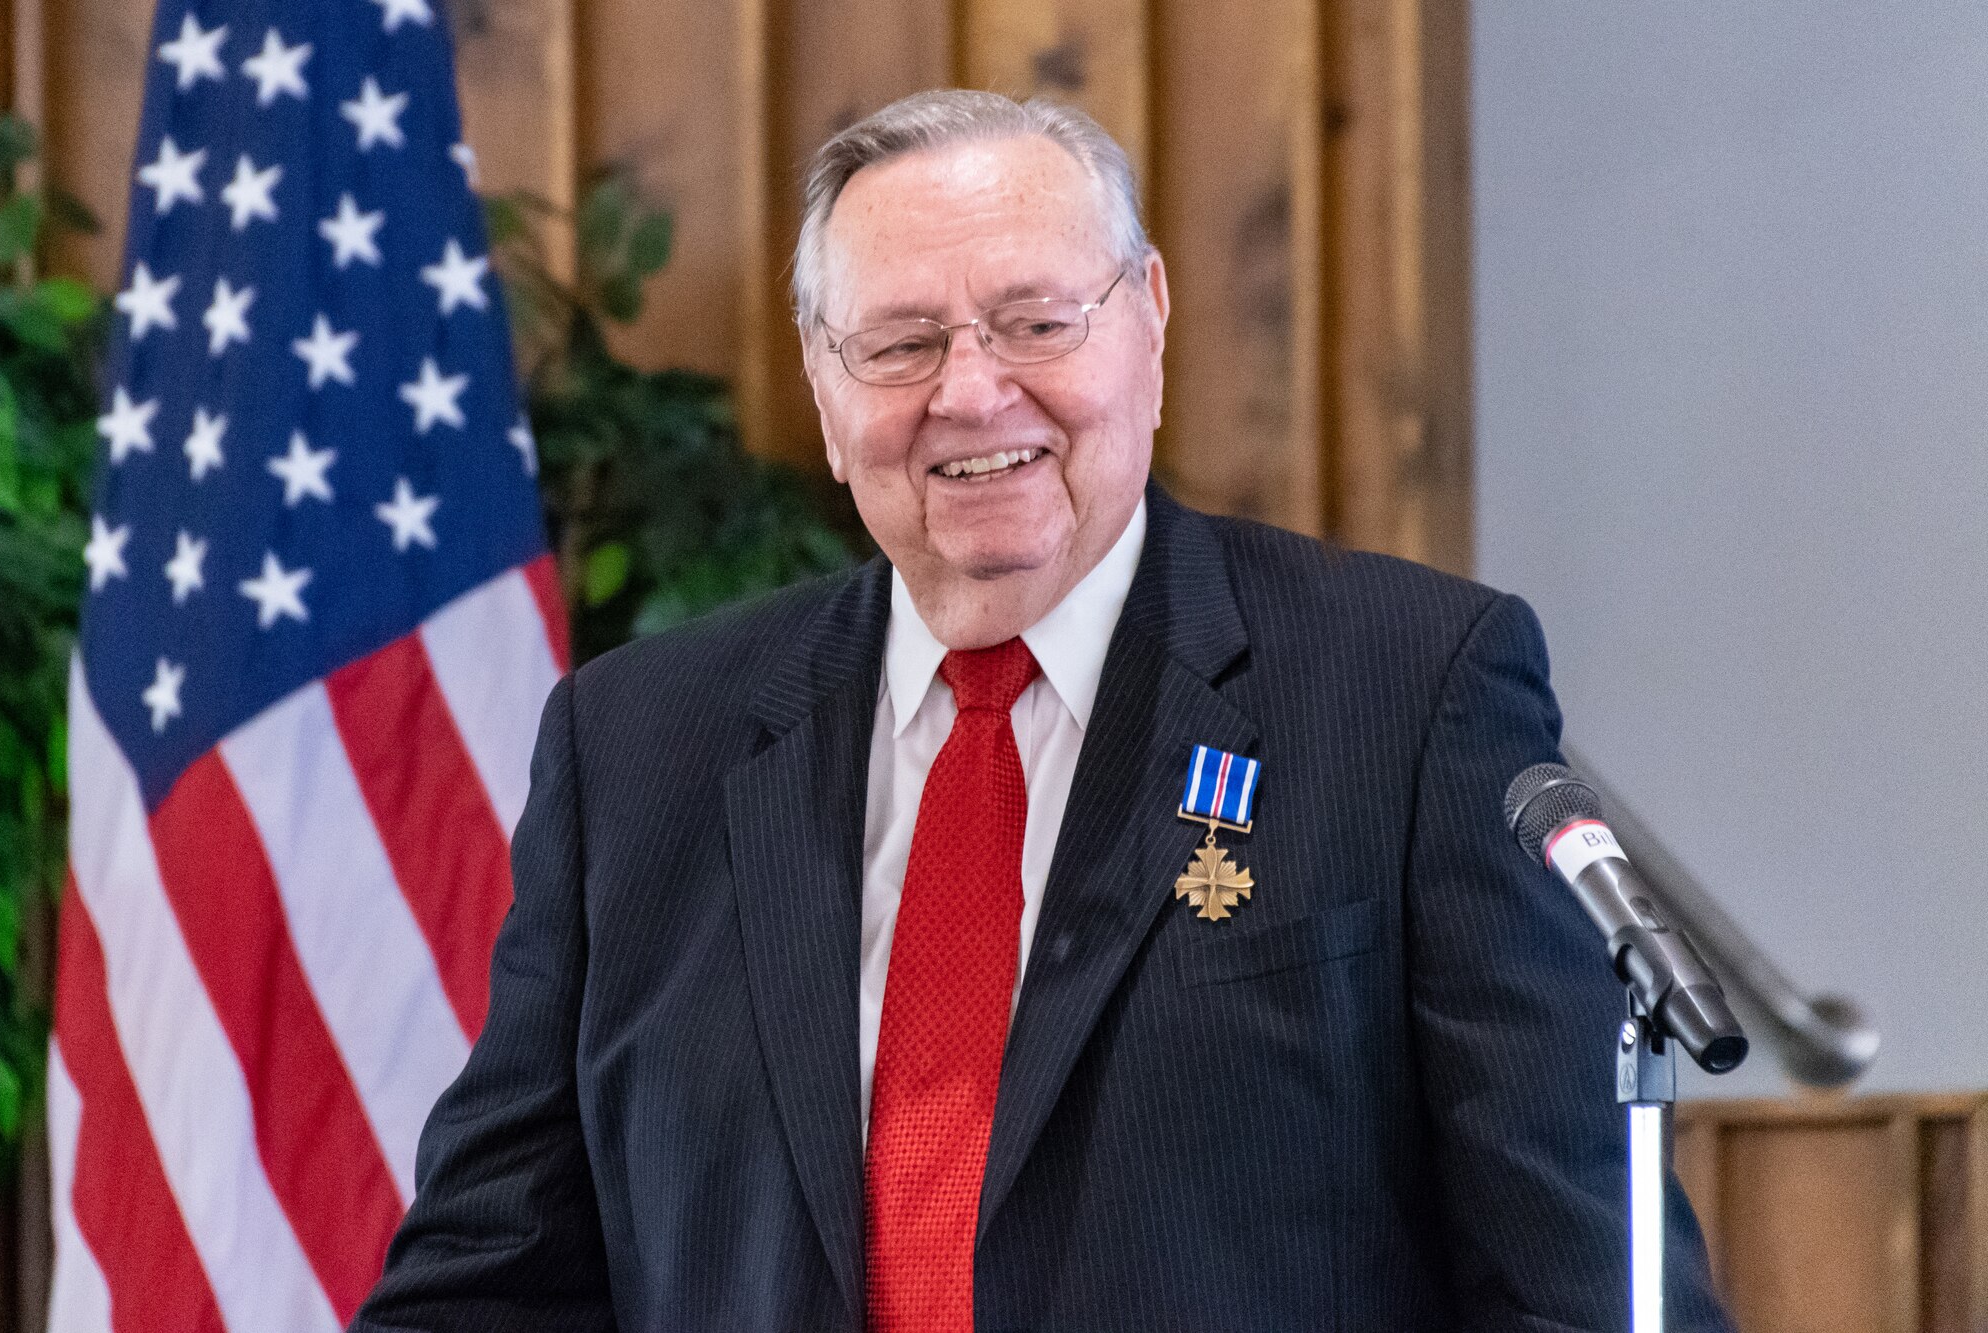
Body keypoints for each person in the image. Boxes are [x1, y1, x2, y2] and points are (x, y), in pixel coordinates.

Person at [352, 90, 1731, 1332]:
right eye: (898, 343)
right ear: (828, 398)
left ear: (1149, 321)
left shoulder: (1406, 688)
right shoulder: (638, 746)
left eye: (1034, 321)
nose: (970, 389)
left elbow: (1585, 1291)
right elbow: (492, 1278)